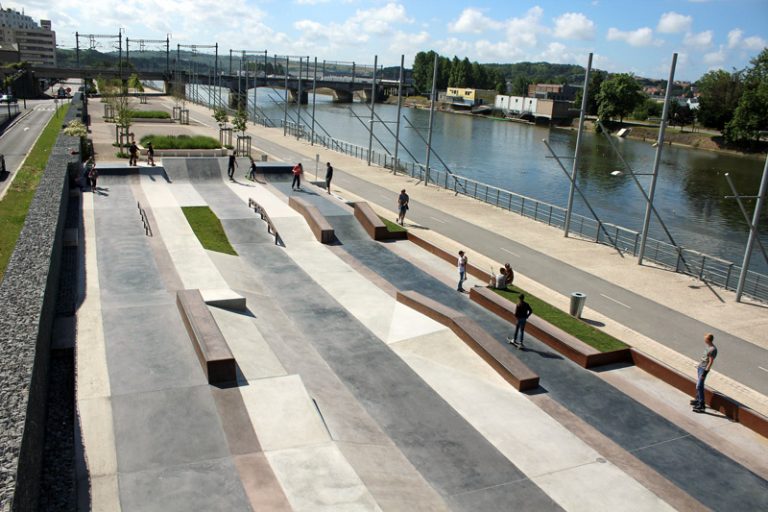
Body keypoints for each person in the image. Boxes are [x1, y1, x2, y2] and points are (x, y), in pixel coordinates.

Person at [691, 333, 717, 413]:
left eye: (705, 338)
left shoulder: (712, 349)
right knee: (699, 385)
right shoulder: (708, 346)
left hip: (704, 369)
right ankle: (698, 400)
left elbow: (710, 362)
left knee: (699, 386)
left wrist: (705, 373)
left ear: (708, 340)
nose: (704, 340)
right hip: (700, 367)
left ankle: (701, 405)